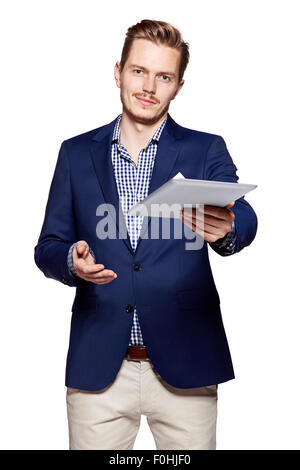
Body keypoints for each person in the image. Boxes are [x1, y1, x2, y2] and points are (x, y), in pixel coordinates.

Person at [34, 19, 257, 450]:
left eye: (164, 76)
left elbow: (243, 213)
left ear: (178, 86)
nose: (149, 86)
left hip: (187, 366)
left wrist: (230, 228)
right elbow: (47, 246)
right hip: (99, 371)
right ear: (118, 72)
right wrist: (69, 261)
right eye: (139, 71)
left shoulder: (204, 149)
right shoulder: (75, 153)